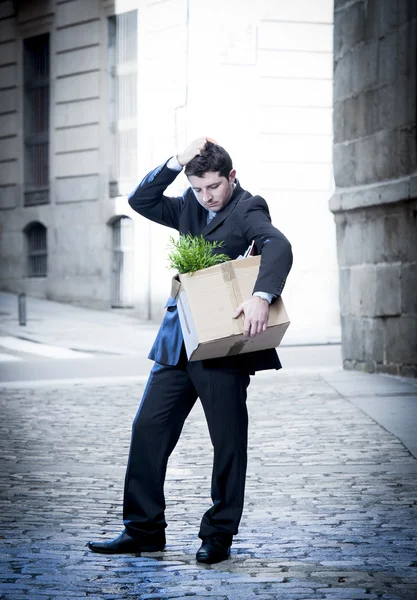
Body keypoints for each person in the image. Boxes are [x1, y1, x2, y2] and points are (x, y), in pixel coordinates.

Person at [88, 138, 293, 564]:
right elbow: (140, 199)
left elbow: (279, 246)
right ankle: (143, 529)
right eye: (199, 188)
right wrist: (174, 162)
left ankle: (218, 534)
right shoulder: (187, 205)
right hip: (177, 341)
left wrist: (262, 294)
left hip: (222, 345)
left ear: (231, 177)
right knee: (147, 429)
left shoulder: (249, 207)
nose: (207, 197)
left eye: (214, 187)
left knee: (228, 443)